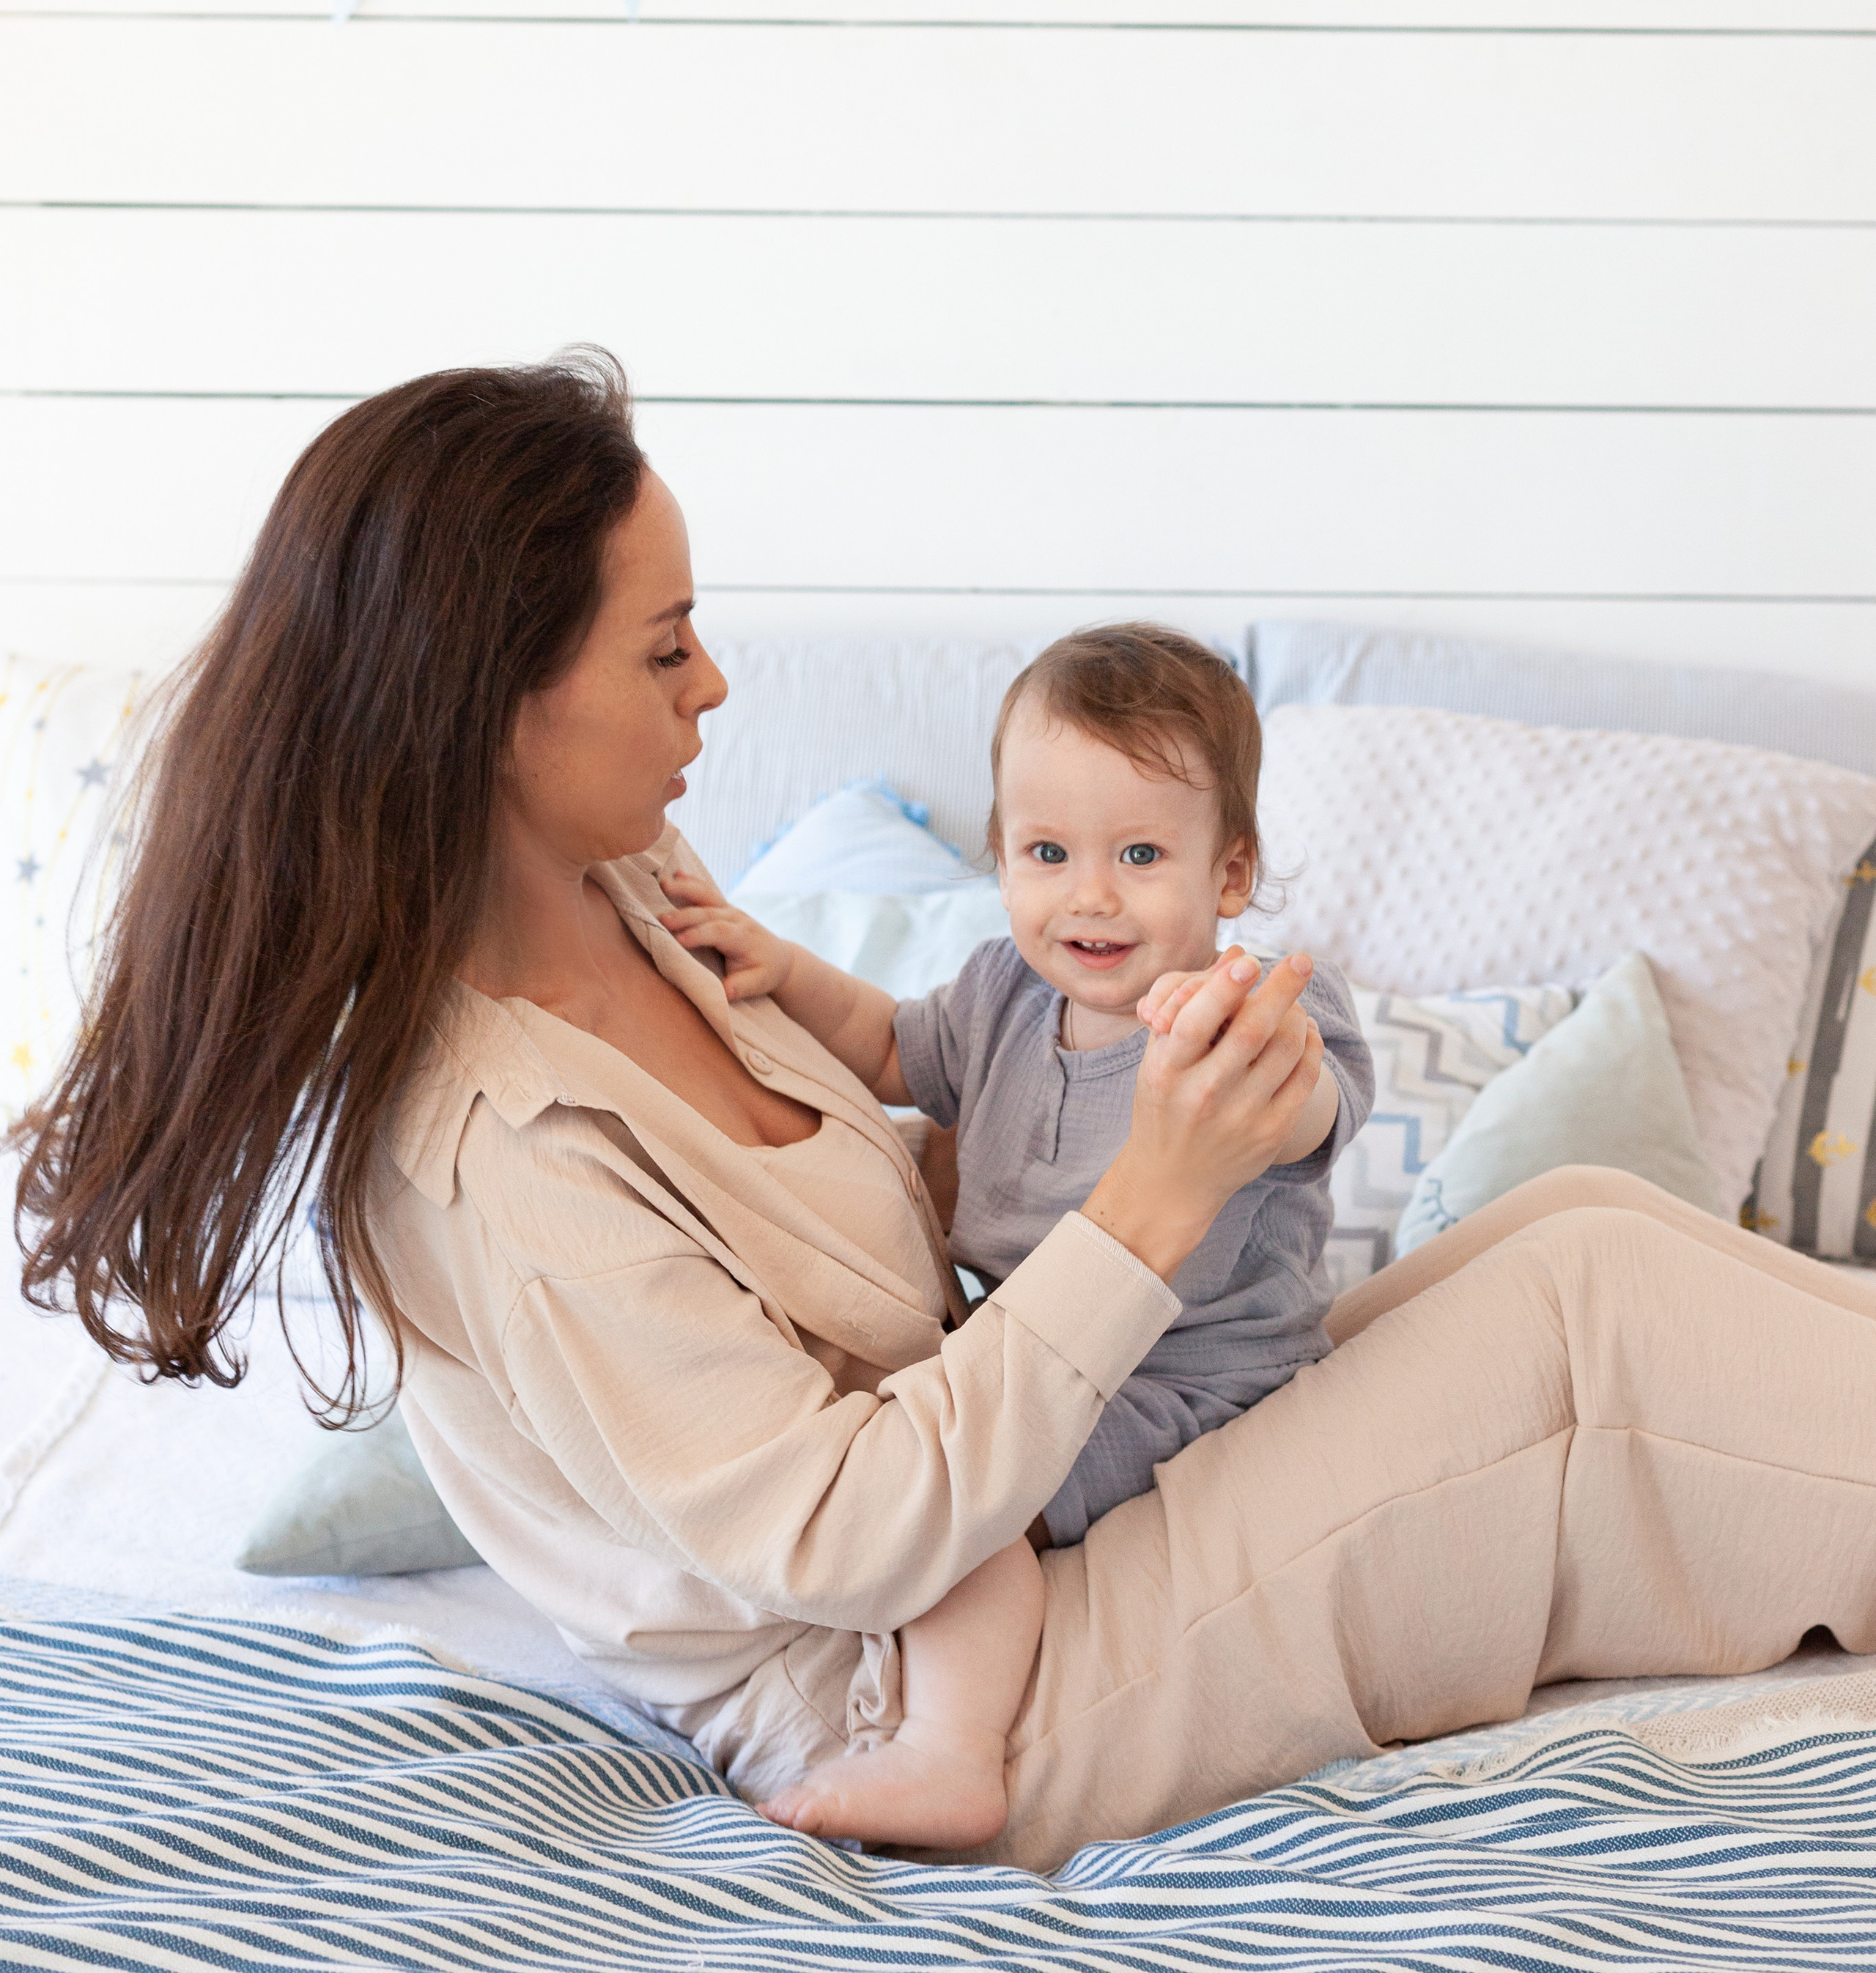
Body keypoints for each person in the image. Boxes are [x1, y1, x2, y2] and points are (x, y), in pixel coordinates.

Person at [18, 352, 1876, 1881]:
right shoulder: (500, 1145)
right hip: (948, 1682)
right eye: (664, 650)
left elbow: (862, 1199)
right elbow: (839, 1535)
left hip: (1049, 1505)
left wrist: (1139, 1141)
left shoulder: (639, 892)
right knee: (1584, 1338)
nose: (715, 686)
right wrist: (1148, 1198)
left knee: (1573, 1232)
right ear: (492, 704)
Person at [654, 623, 1375, 1843]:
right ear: (999, 856)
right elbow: (891, 1044)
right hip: (1049, 1357)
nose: (1089, 893)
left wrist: (1239, 1056)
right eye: (1047, 852)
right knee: (899, 1451)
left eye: (1142, 853)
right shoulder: (999, 995)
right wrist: (778, 966)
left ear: (1231, 874)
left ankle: (950, 1750)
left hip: (1201, 1385)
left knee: (968, 1516)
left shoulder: (1255, 1014)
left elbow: (1313, 1115)